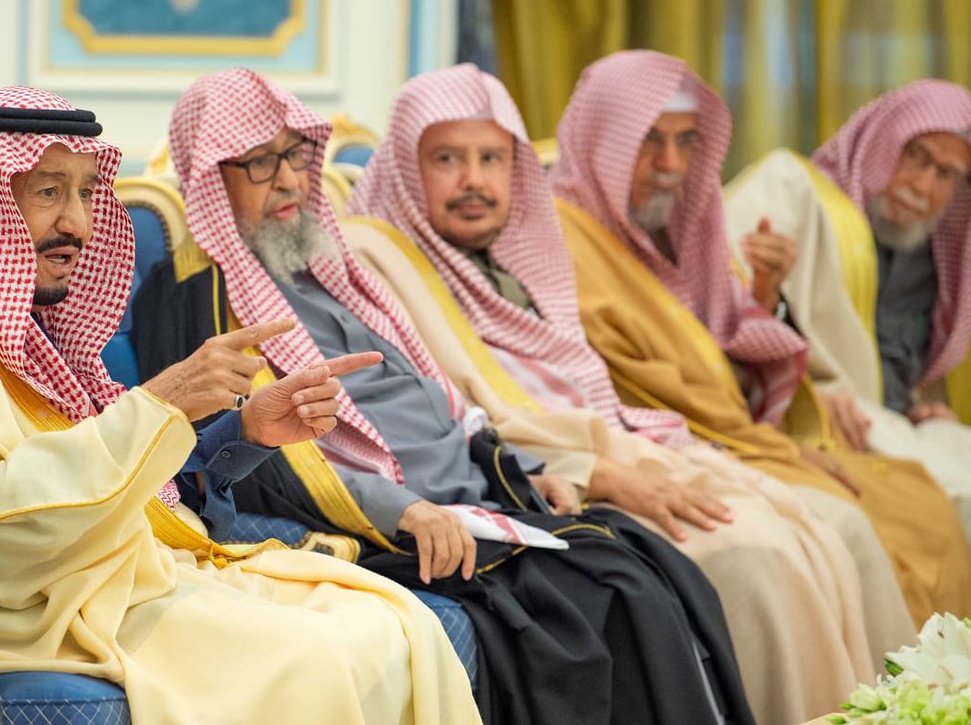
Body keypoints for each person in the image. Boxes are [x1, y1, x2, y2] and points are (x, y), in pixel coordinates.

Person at [0, 87, 481, 725]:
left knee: (399, 625)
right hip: (19, 604)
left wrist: (243, 430)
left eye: (86, 193)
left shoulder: (17, 314)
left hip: (106, 574)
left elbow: (98, 478)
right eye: (48, 192)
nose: (77, 223)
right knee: (318, 657)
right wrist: (159, 401)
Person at [133, 68, 754, 725]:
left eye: (293, 155)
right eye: (260, 162)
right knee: (610, 596)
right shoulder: (202, 304)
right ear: (211, 175)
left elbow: (434, 398)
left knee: (648, 561)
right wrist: (408, 510)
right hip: (395, 526)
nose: (287, 179)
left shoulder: (321, 271)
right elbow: (266, 464)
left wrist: (522, 470)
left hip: (474, 502)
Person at [342, 62, 890, 724]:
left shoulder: (512, 254)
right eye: (447, 159)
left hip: (617, 447)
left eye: (491, 159)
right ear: (407, 167)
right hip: (540, 480)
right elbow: (446, 418)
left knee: (825, 530)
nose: (475, 181)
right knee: (757, 555)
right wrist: (597, 472)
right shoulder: (379, 260)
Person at [551, 49, 971, 627]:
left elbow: (719, 342)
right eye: (648, 139)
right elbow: (605, 376)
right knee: (859, 524)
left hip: (740, 431)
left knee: (918, 506)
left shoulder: (676, 227)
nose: (670, 164)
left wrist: (766, 294)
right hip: (670, 443)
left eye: (685, 141)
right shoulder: (559, 235)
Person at [724, 81, 971, 541]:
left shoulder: (936, 252)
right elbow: (713, 305)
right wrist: (806, 392)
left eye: (945, 175)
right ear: (882, 140)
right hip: (812, 417)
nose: (923, 186)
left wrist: (920, 405)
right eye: (916, 157)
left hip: (895, 424)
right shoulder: (794, 190)